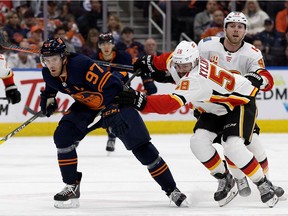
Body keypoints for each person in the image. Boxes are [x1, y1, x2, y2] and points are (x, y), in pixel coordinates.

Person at [115, 40, 280, 208]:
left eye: (185, 66)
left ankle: (262, 183)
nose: (180, 69)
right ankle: (225, 178)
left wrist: (140, 101)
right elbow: (165, 60)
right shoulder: (179, 60)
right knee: (197, 143)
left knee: (232, 146)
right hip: (214, 108)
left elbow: (170, 103)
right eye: (178, 65)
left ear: (195, 62)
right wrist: (149, 62)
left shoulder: (197, 78)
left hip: (238, 104)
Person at [39, 37, 188, 209]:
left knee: (141, 148)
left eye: (54, 59)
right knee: (63, 136)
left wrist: (110, 109)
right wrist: (48, 100)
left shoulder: (80, 65)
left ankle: (172, 189)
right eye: (47, 60)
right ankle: (71, 185)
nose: (51, 64)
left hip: (117, 99)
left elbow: (114, 85)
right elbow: (51, 88)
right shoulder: (48, 72)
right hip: (88, 104)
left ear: (64, 57)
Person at [197, 11, 284, 200]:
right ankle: (231, 177)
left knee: (245, 141)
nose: (236, 30)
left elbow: (266, 78)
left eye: (240, 27)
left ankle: (265, 181)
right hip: (214, 106)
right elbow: (188, 66)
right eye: (232, 25)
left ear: (245, 31)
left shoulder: (252, 53)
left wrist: (259, 78)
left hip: (239, 106)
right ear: (225, 28)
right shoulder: (206, 46)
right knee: (202, 142)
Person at [93, 32, 157, 153]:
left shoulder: (124, 56)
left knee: (117, 115)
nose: (106, 46)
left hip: (121, 91)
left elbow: (140, 67)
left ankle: (112, 136)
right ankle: (78, 136)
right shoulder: (93, 59)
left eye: (109, 43)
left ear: (113, 45)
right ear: (99, 46)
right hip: (101, 93)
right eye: (103, 44)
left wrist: (148, 82)